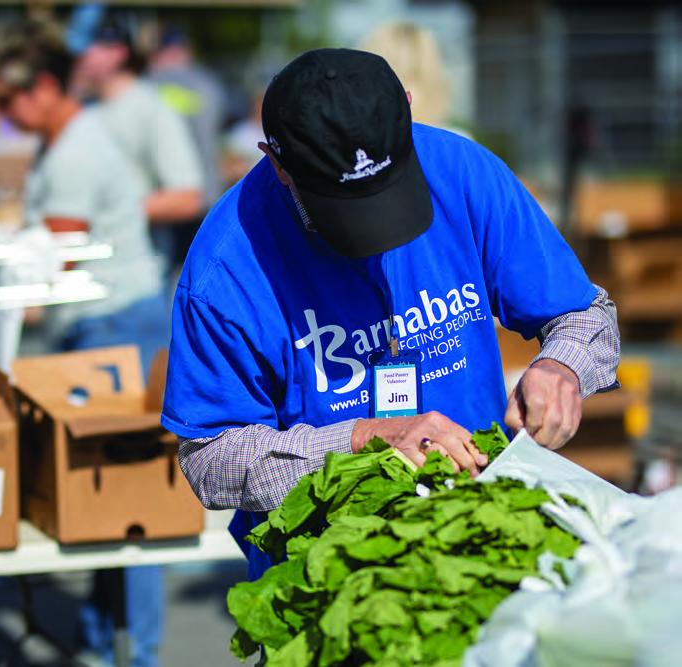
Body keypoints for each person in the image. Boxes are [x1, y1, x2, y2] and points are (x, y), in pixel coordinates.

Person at [162, 49, 621, 581]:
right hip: (332, 571)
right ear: (278, 163)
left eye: (390, 193)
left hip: (483, 530)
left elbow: (585, 314)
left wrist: (561, 367)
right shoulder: (226, 272)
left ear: (407, 109)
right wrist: (360, 440)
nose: (376, 237)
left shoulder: (465, 174)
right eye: (346, 209)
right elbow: (211, 460)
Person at [0, 22, 169, 665]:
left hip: (113, 326)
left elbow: (47, 259)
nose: (1, 116)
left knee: (128, 502)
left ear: (48, 87)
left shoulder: (75, 152)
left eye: (7, 100)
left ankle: (129, 651)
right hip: (104, 321)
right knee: (107, 501)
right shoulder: (63, 143)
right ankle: (104, 640)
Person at [71, 20, 204, 278]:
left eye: (86, 47)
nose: (78, 56)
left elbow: (188, 198)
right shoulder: (85, 109)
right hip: (91, 273)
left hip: (137, 277)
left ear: (116, 52)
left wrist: (107, 213)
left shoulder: (152, 109)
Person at [149, 27, 226, 270]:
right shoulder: (210, 85)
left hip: (169, 195)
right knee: (201, 268)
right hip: (208, 192)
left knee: (164, 269)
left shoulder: (152, 84)